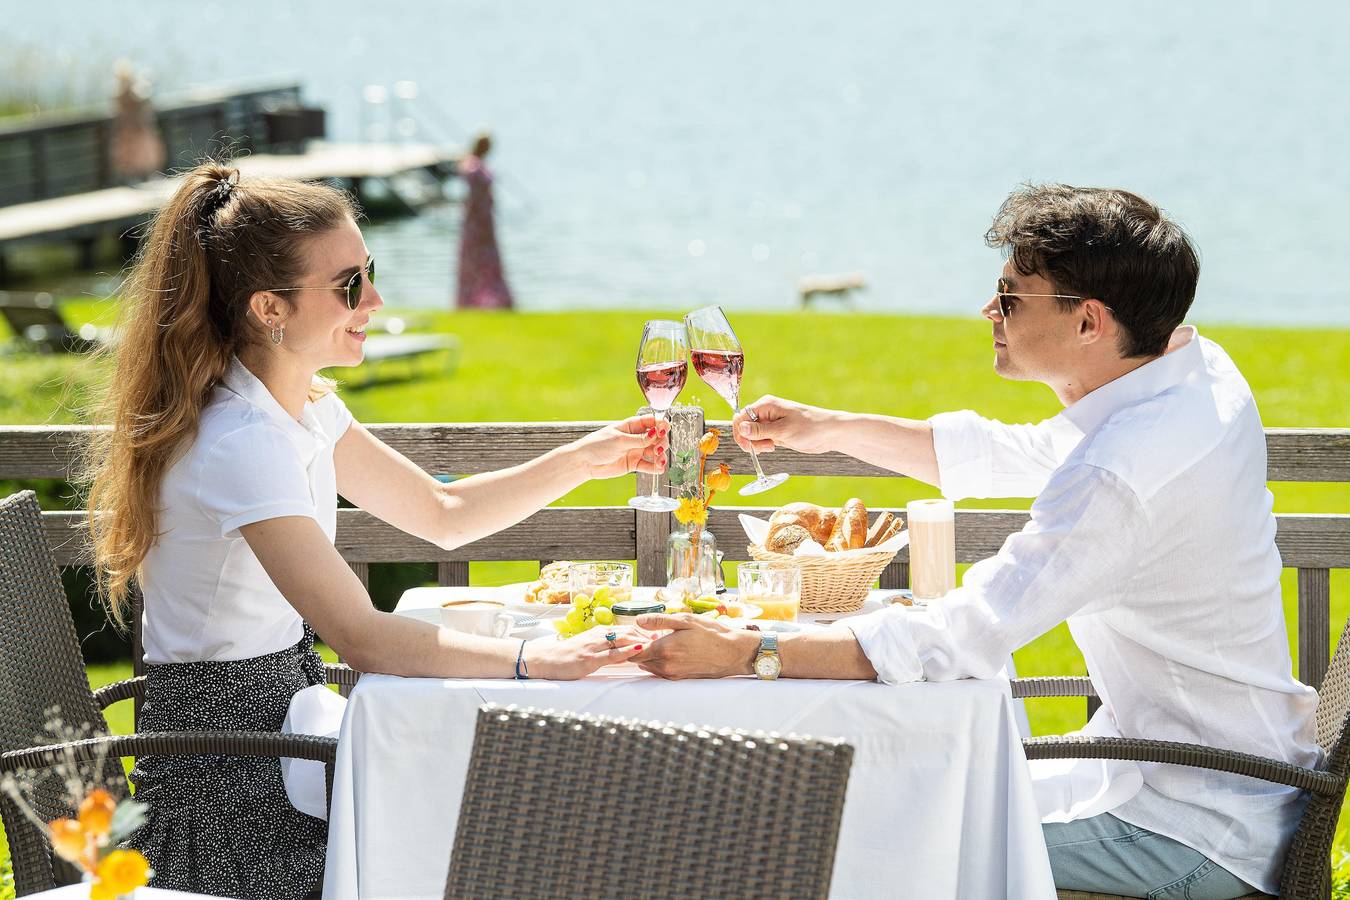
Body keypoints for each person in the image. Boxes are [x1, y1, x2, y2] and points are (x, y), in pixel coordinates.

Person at [631, 184, 1320, 898]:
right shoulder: (1189, 373)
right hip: (1204, 777)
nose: (987, 312)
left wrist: (746, 651)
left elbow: (962, 636)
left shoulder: (1123, 473)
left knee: (850, 846)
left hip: (1191, 828)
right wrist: (827, 428)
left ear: (1087, 321)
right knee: (889, 800)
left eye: (1010, 295)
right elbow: (1014, 455)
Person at [79, 163, 666, 899]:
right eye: (350, 284)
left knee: (496, 818)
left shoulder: (305, 411)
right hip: (227, 798)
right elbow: (362, 637)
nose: (376, 300)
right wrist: (534, 661)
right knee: (489, 835)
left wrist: (588, 457)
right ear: (271, 308)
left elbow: (441, 516)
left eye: (370, 272)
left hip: (287, 746)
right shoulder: (242, 443)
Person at [455, 132, 515, 310]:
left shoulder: (474, 164)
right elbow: (473, 198)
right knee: (475, 263)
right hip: (477, 221)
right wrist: (475, 220)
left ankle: (493, 300)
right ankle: (471, 302)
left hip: (484, 220)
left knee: (488, 262)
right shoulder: (472, 166)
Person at [108, 61, 166, 185]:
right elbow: (143, 102)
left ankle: (137, 177)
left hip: (128, 130)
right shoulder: (129, 91)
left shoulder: (117, 93)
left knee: (136, 155)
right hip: (136, 129)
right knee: (141, 155)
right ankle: (143, 175)